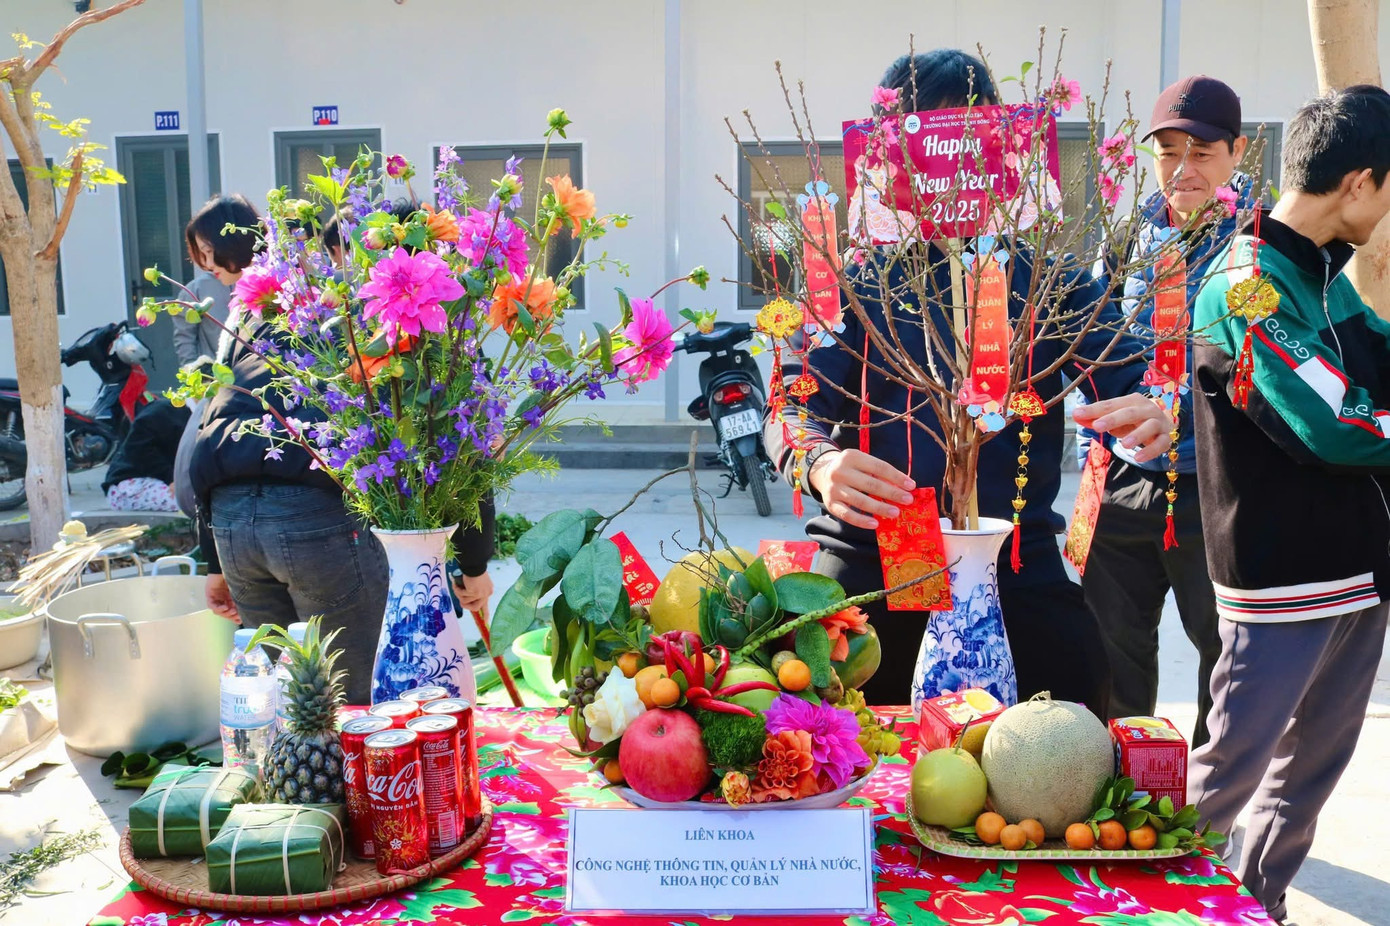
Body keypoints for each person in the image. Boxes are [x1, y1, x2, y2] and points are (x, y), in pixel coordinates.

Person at [766, 49, 1172, 711]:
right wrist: (819, 462)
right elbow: (789, 399)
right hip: (879, 551)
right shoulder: (851, 282)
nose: (950, 169)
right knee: (816, 709)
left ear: (1002, 150)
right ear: (890, 153)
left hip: (1015, 556)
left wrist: (1154, 406)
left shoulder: (1050, 282)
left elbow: (1135, 371)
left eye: (969, 140)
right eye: (930, 142)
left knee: (1080, 685)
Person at [1187, 84, 1390, 922]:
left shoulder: (1321, 275)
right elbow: (1335, 420)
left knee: (1310, 774)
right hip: (1281, 585)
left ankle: (1254, 905)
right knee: (1228, 770)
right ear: (1362, 181)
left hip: (1355, 572)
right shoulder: (1247, 284)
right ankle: (1132, 902)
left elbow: (1374, 362)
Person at [186, 195, 497, 704]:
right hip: (314, 518)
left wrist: (214, 560)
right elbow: (462, 451)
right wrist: (475, 564)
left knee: (295, 709)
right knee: (359, 710)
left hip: (230, 519)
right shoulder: (409, 324)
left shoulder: (277, 315)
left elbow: (219, 417)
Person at [1076, 76, 1255, 749]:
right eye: (1168, 151)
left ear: (1237, 152)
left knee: (1226, 656)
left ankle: (1212, 809)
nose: (1182, 170)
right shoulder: (1125, 241)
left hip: (1217, 481)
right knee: (1110, 655)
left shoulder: (1258, 246)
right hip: (1121, 480)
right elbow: (1094, 342)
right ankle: (1126, 792)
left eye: (1202, 152)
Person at [176, 196, 242, 366]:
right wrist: (194, 370)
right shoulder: (195, 289)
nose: (208, 263)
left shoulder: (266, 284)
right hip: (217, 380)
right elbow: (185, 338)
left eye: (210, 251)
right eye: (203, 254)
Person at [102, 397, 190, 511]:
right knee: (191, 503)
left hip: (161, 481)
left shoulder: (195, 415)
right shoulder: (163, 411)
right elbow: (136, 448)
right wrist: (171, 478)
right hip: (130, 484)